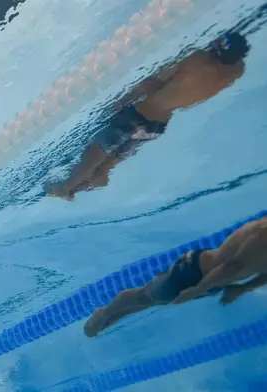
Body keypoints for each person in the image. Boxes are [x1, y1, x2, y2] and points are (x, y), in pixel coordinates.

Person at [47, 32, 251, 200]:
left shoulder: (196, 59)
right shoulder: (234, 72)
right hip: (156, 128)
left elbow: (152, 81)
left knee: (94, 154)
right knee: (110, 161)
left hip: (137, 116)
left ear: (217, 48)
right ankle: (97, 179)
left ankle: (66, 188)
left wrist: (123, 100)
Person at [84, 217, 267, 337]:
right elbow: (231, 266)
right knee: (145, 295)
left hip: (212, 281)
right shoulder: (263, 232)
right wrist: (197, 290)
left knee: (154, 301)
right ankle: (104, 313)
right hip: (194, 271)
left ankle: (108, 318)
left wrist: (244, 288)